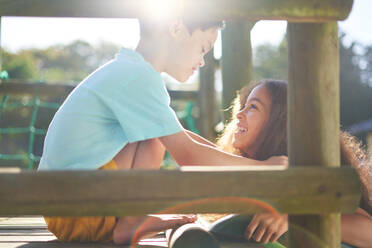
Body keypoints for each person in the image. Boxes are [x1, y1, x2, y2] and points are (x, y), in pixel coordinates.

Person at [38, 17, 287, 245]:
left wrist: (245, 162)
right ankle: (130, 220)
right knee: (158, 134)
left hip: (67, 207)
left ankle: (131, 219)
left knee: (160, 131)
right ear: (177, 28)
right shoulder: (138, 77)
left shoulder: (129, 71)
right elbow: (189, 156)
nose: (201, 61)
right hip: (79, 209)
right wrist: (266, 167)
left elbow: (179, 136)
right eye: (202, 49)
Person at [213, 79, 372, 247]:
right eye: (244, 105)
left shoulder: (302, 173)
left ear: (279, 123)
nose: (239, 114)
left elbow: (368, 232)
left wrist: (296, 217)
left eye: (253, 106)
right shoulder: (248, 173)